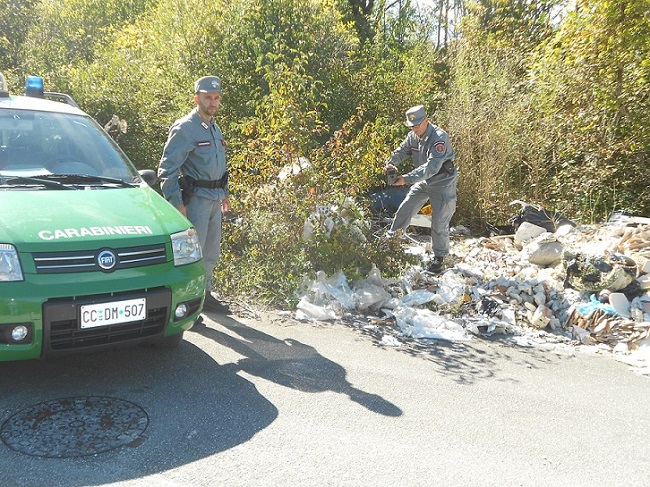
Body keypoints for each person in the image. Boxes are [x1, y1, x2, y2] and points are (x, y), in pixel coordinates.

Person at [158, 76, 231, 313]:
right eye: (208, 98)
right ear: (197, 98)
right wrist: (176, 203)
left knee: (210, 252)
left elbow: (219, 165)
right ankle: (188, 303)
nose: (213, 102)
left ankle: (204, 295)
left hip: (214, 199)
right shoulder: (185, 128)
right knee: (191, 255)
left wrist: (225, 193)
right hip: (195, 201)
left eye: (216, 98)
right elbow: (166, 169)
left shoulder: (213, 127)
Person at [382, 105, 457, 273]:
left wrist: (405, 179)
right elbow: (401, 151)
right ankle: (391, 243)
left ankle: (439, 258)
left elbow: (431, 168)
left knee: (439, 222)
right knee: (405, 209)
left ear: (426, 120)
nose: (415, 129)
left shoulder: (439, 138)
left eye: (417, 125)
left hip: (442, 183)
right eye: (411, 126)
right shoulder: (413, 136)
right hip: (423, 182)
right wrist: (391, 163)